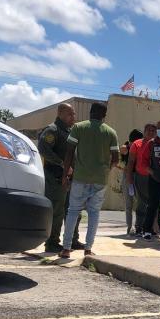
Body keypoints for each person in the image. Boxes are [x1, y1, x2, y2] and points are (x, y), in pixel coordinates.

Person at [60, 102, 120, 259]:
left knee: (73, 211)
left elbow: (69, 153)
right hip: (100, 179)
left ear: (90, 112)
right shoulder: (111, 132)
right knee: (94, 214)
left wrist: (65, 174)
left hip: (80, 177)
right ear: (104, 115)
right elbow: (116, 158)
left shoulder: (78, 128)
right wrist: (106, 170)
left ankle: (66, 249)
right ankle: (88, 249)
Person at [38, 103, 82, 252]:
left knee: (74, 210)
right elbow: (43, 149)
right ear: (60, 113)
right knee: (57, 211)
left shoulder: (70, 131)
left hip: (71, 178)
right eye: (70, 114)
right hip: (55, 178)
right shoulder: (53, 130)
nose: (73, 117)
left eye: (74, 114)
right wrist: (62, 164)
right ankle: (51, 243)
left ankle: (73, 240)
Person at [126, 122, 157, 236]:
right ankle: (139, 226)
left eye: (153, 130)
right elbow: (131, 162)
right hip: (140, 177)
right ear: (144, 132)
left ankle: (151, 228)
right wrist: (129, 178)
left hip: (155, 178)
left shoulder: (158, 144)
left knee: (154, 204)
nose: (151, 132)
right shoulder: (136, 144)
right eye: (148, 130)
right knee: (141, 203)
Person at [121, 129, 143, 237]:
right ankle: (130, 227)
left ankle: (136, 226)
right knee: (129, 203)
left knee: (136, 203)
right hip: (130, 175)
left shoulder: (142, 146)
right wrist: (129, 146)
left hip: (137, 175)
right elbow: (123, 150)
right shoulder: (127, 147)